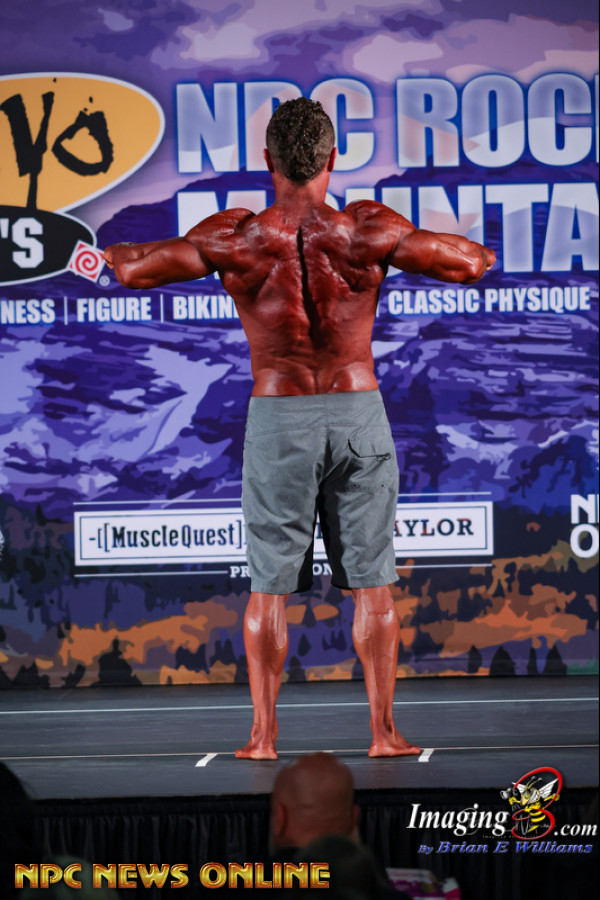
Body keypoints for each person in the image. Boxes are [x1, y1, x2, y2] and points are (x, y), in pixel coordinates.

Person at [105, 97, 495, 761]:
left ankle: (262, 738)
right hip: (356, 410)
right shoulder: (366, 229)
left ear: (268, 160)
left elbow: (135, 270)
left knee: (268, 586)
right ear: (333, 157)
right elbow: (467, 264)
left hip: (278, 415)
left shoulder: (236, 237)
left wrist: (109, 254)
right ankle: (383, 734)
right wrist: (476, 250)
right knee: (373, 582)